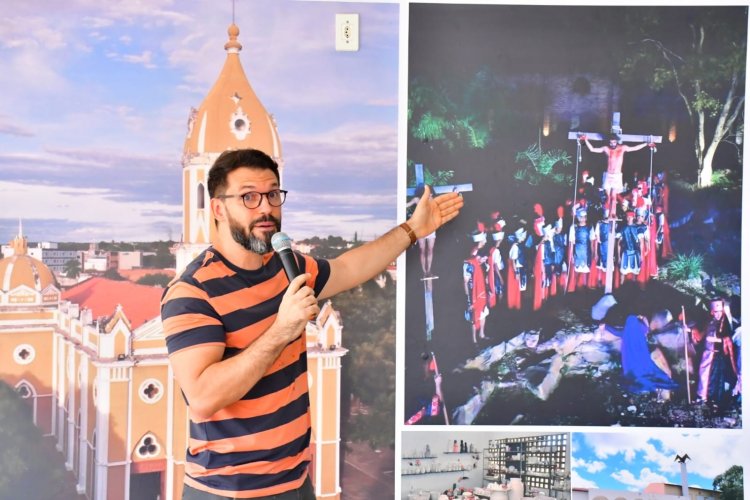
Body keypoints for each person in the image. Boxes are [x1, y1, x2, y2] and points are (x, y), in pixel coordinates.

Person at [161, 149, 463, 499]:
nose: (265, 208)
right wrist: (282, 330)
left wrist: (414, 229)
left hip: (295, 483)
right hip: (229, 492)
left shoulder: (284, 267)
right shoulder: (192, 291)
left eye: (273, 194)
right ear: (218, 208)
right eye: (248, 197)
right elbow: (202, 397)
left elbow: (350, 268)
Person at [598, 311, 678, 394]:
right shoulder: (641, 327)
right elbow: (643, 327)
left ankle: (648, 382)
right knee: (645, 368)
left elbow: (618, 332)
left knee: (639, 369)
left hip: (634, 355)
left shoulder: (631, 330)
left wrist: (606, 327)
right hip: (640, 353)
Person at [581, 133, 653, 217]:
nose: (612, 144)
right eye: (611, 142)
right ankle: (607, 214)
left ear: (616, 141)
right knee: (608, 197)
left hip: (617, 175)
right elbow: (592, 149)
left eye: (614, 142)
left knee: (614, 196)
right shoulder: (606, 149)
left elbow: (634, 148)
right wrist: (585, 140)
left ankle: (613, 214)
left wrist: (646, 144)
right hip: (608, 175)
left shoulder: (622, 148)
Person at [694, 297, 739, 408]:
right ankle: (702, 396)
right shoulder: (710, 322)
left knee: (714, 378)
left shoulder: (726, 324)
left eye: (719, 312)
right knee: (703, 375)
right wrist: (690, 330)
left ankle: (712, 399)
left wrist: (716, 340)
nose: (717, 314)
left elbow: (729, 339)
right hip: (707, 354)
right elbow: (701, 335)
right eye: (715, 312)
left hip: (717, 356)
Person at [406, 183, 437, 277]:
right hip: (421, 228)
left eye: (430, 192)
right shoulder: (417, 200)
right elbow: (406, 205)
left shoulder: (432, 200)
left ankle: (429, 270)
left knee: (430, 250)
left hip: (431, 227)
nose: (429, 193)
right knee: (422, 249)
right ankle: (424, 271)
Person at [464, 228, 489, 343]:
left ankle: (482, 335)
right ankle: (474, 341)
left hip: (481, 290)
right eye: (483, 239)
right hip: (473, 292)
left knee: (483, 312)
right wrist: (468, 299)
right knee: (473, 317)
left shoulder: (478, 254)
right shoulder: (468, 260)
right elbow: (466, 280)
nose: (485, 241)